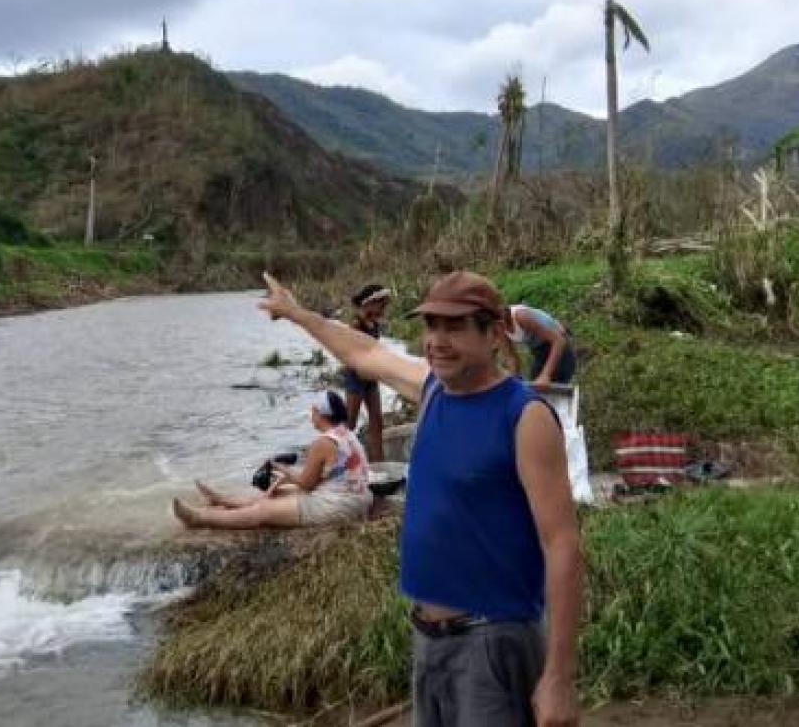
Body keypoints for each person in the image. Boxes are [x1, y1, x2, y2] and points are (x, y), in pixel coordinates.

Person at [259, 271, 582, 727]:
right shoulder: (432, 390)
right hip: (428, 638)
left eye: (454, 327)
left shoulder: (524, 416)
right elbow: (366, 352)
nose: (437, 340)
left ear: (493, 335)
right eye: (431, 326)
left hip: (493, 641)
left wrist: (559, 678)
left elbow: (563, 544)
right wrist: (297, 314)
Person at [172, 390, 372, 530]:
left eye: (313, 411)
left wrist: (284, 470)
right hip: (358, 498)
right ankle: (222, 500)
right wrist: (286, 478)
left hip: (340, 506)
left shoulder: (323, 442)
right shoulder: (346, 433)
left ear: (321, 414)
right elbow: (331, 475)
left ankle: (199, 518)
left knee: (264, 510)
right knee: (281, 491)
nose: (311, 415)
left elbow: (306, 485)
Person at [344, 283, 391, 463]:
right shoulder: (357, 324)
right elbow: (350, 353)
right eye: (381, 304)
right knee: (350, 423)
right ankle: (341, 461)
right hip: (356, 377)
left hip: (370, 377)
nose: (383, 308)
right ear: (370, 303)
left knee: (377, 422)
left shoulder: (373, 323)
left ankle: (379, 465)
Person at [504, 303, 577, 389]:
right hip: (540, 353)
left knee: (553, 390)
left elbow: (559, 341)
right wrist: (513, 381)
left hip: (560, 350)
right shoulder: (498, 327)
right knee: (534, 388)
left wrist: (545, 375)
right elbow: (511, 357)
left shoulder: (521, 316)